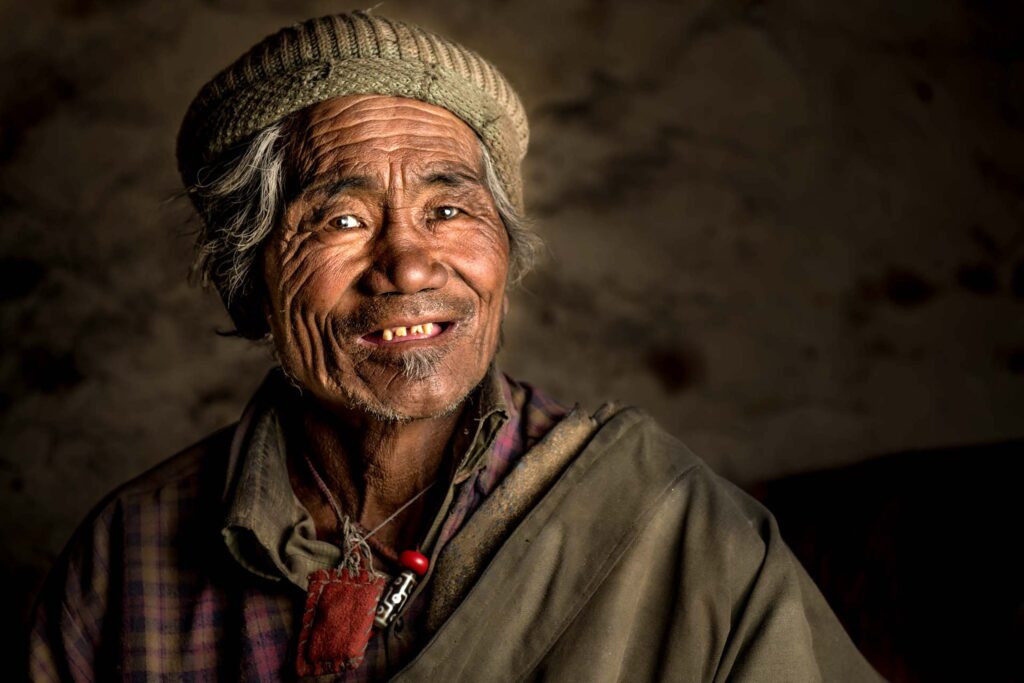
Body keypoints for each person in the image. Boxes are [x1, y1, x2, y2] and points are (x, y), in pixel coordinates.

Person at [28, 11, 882, 682]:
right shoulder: (126, 560)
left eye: (448, 211)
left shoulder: (667, 525)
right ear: (249, 277)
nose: (407, 263)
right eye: (342, 219)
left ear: (503, 253)